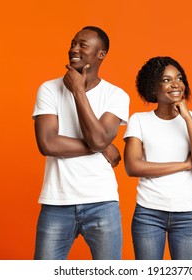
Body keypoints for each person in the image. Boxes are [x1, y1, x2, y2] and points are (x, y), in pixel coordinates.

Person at [32, 26, 129, 260]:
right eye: (72, 43)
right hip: (57, 202)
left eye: (82, 44)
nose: (74, 49)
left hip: (102, 203)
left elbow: (96, 138)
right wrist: (103, 146)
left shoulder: (116, 95)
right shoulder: (49, 89)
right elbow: (48, 144)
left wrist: (78, 91)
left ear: (101, 54)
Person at [123, 56, 192, 260]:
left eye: (179, 78)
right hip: (148, 213)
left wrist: (187, 117)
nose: (175, 84)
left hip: (188, 214)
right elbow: (133, 166)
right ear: (153, 88)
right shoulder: (139, 120)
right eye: (166, 80)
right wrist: (183, 165)